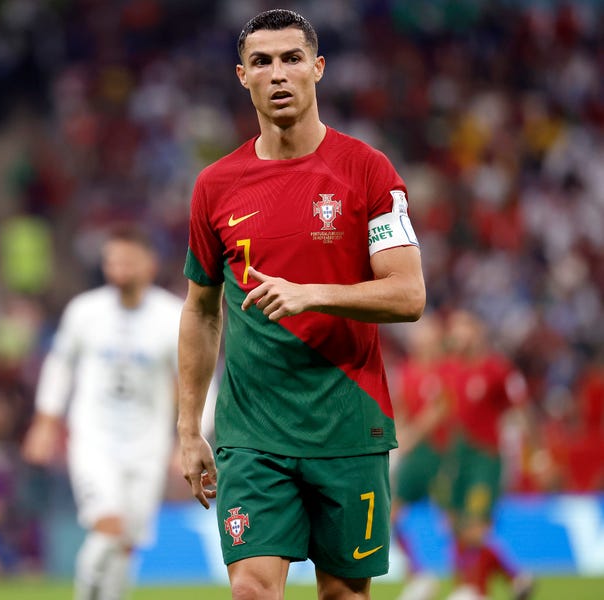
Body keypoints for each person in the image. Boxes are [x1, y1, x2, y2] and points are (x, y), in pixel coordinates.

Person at [177, 9, 425, 600]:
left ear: (318, 68)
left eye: (292, 59)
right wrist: (188, 429)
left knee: (343, 594)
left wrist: (311, 294)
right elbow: (201, 310)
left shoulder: (368, 172)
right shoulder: (215, 185)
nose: (278, 73)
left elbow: (409, 294)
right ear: (242, 76)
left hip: (348, 423)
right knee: (252, 591)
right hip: (253, 431)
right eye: (262, 62)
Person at [22, 224, 188, 600]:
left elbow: (196, 383)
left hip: (147, 445)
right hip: (94, 440)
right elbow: (60, 366)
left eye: (127, 261)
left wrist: (187, 439)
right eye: (112, 261)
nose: (118, 269)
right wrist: (45, 421)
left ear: (149, 264)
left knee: (126, 544)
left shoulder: (172, 316)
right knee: (108, 526)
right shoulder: (85, 312)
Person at [441, 310, 534, 600]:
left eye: (463, 327)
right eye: (454, 329)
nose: (457, 334)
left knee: (475, 527)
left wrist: (533, 453)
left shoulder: (497, 370)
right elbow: (446, 411)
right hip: (458, 458)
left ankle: (475, 591)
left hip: (486, 458)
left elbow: (520, 410)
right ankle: (513, 577)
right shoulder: (451, 370)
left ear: (476, 332)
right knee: (454, 526)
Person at [389, 314, 453, 600]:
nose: (418, 338)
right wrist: (396, 437)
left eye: (424, 333)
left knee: (456, 519)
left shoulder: (446, 370)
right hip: (416, 457)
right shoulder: (408, 371)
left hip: (441, 453)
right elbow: (401, 409)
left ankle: (471, 580)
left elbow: (440, 409)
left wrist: (410, 436)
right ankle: (419, 575)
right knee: (390, 514)